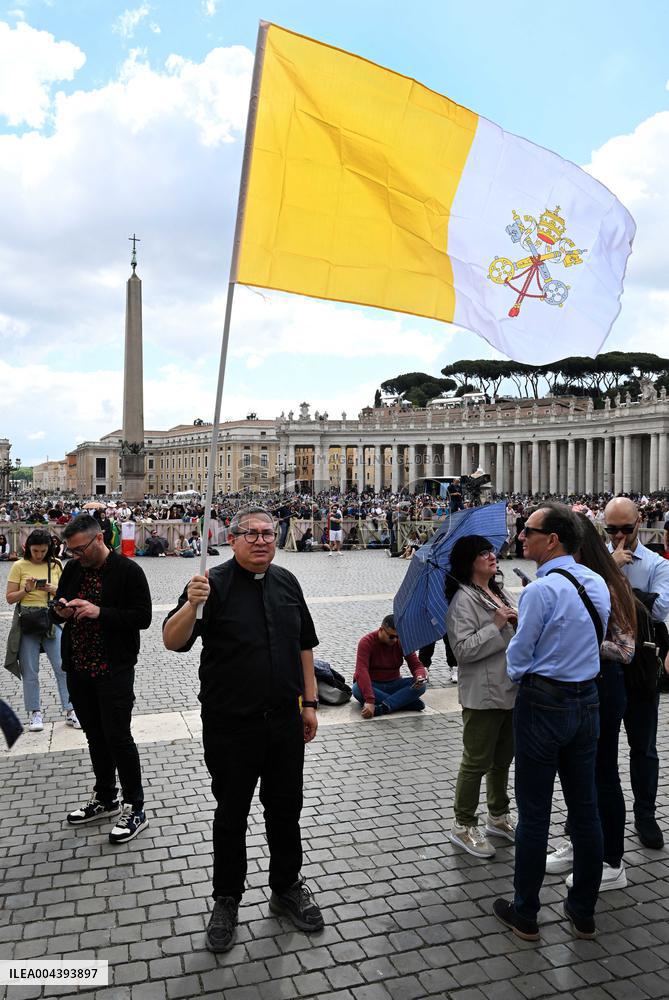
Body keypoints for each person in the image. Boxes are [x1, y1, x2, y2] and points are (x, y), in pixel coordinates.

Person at [163, 505, 324, 953]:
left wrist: (310, 704)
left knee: (285, 808)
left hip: (285, 721)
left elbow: (304, 646)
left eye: (268, 533)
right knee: (231, 813)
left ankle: (286, 886)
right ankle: (227, 898)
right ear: (231, 539)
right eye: (250, 534)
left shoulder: (287, 582)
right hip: (231, 725)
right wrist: (191, 604)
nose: (260, 541)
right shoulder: (209, 584)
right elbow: (172, 640)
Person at [494, 503, 610, 942]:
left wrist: (522, 651)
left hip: (543, 704)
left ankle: (526, 913)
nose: (521, 536)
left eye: (529, 530)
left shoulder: (541, 591)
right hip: (588, 701)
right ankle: (583, 911)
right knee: (585, 809)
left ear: (553, 539)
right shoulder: (597, 582)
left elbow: (519, 659)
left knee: (534, 812)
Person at [546, 515, 636, 891]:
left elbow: (626, 649)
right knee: (576, 773)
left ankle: (612, 860)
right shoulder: (575, 580)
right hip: (578, 685)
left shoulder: (609, 584)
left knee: (603, 773)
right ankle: (582, 841)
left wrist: (577, 638)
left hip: (605, 687)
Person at [52, 514, 152, 844]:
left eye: (80, 549)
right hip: (78, 668)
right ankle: (106, 797)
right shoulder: (73, 569)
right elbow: (57, 607)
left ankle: (135, 807)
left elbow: (143, 617)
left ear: (99, 539)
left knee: (118, 737)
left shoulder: (128, 571)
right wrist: (59, 610)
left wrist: (99, 612)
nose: (75, 555)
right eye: (71, 550)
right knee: (95, 736)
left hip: (114, 669)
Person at [445, 536, 518, 859]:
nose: (492, 556)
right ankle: (463, 824)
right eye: (483, 552)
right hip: (483, 693)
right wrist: (497, 625)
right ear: (469, 561)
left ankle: (498, 815)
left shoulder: (498, 591)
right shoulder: (463, 600)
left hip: (510, 687)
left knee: (503, 759)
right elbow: (462, 650)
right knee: (476, 762)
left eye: (492, 551)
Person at [604, 496, 669, 850]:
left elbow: (658, 611)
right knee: (602, 747)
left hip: (642, 668)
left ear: (639, 523)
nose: (618, 537)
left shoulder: (657, 564)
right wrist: (609, 571)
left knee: (643, 747)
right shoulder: (595, 562)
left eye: (625, 529)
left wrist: (609, 586)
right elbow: (582, 606)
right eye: (610, 530)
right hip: (605, 668)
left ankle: (645, 814)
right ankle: (598, 812)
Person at [5, 528, 77, 732]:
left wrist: (55, 590)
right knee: (30, 670)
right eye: (35, 550)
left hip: (52, 618)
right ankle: (35, 713)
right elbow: (9, 598)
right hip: (28, 621)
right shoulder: (19, 565)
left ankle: (71, 710)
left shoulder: (56, 564)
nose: (39, 554)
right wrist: (26, 590)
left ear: (49, 548)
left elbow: (67, 594)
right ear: (28, 548)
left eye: (43, 551)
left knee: (63, 666)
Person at [353, 614, 427, 717]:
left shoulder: (402, 641)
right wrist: (370, 700)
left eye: (398, 636)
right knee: (357, 688)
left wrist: (420, 676)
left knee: (422, 686)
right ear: (381, 630)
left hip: (395, 683)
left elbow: (416, 665)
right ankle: (405, 702)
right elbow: (361, 671)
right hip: (373, 684)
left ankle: (384, 707)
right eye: (391, 636)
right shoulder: (366, 642)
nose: (395, 640)